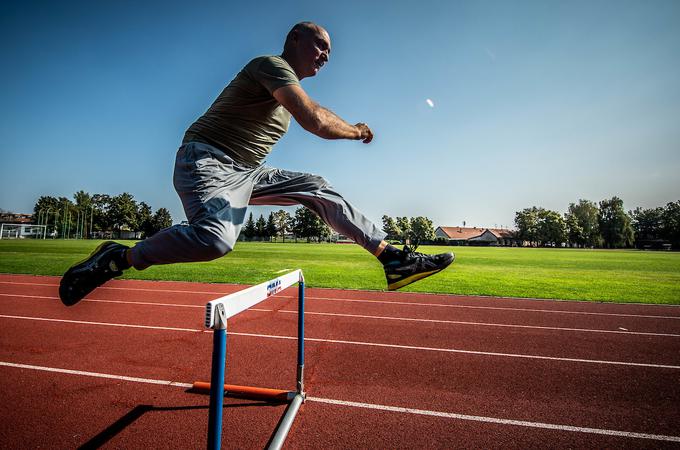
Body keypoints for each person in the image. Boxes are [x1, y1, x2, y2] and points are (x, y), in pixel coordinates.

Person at [59, 22, 454, 306]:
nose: (326, 55)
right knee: (215, 240)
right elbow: (315, 119)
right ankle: (119, 257)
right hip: (206, 159)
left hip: (246, 173)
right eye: (320, 45)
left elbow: (315, 112)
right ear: (294, 39)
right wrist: (357, 131)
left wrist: (349, 126)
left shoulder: (286, 89)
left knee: (315, 184)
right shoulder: (269, 65)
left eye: (330, 52)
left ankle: (392, 258)